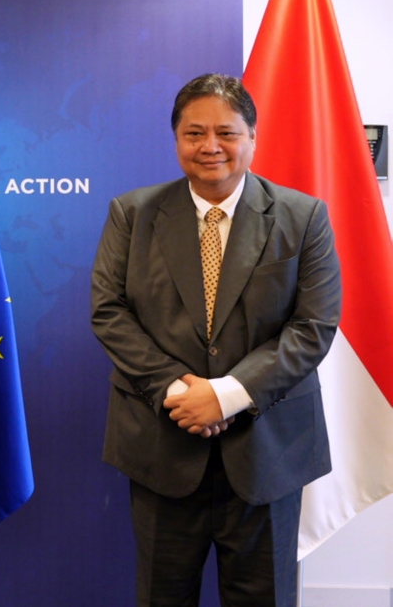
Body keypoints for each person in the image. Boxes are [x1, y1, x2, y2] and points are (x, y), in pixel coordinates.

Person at [91, 73, 342, 607]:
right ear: (176, 139)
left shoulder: (303, 217)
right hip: (162, 445)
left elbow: (313, 326)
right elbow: (109, 312)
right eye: (194, 133)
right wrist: (180, 392)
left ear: (252, 137)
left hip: (268, 452)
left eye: (226, 133)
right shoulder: (132, 214)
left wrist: (227, 395)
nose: (211, 146)